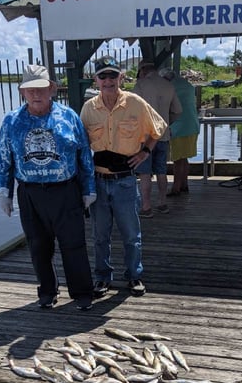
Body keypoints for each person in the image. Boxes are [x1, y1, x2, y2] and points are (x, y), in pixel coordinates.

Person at [0, 64, 96, 311]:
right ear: (22, 92)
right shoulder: (11, 121)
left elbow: (84, 154)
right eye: (30, 90)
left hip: (66, 190)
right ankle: (47, 291)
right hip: (30, 193)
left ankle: (82, 292)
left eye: (41, 88)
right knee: (38, 246)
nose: (36, 94)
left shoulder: (69, 116)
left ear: (51, 88)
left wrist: (89, 188)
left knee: (74, 244)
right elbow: (3, 159)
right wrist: (4, 191)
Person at [80, 56, 167, 298]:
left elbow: (159, 128)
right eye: (102, 76)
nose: (108, 80)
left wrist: (145, 152)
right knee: (100, 235)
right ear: (96, 80)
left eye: (112, 75)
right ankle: (102, 277)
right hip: (98, 179)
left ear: (121, 77)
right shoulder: (88, 108)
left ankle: (134, 275)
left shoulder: (136, 103)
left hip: (126, 181)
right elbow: (81, 144)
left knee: (131, 234)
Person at [132, 60, 182, 217]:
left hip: (144, 137)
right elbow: (178, 110)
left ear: (142, 71)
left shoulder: (140, 85)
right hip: (163, 135)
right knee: (161, 170)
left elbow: (132, 111)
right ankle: (162, 203)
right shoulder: (169, 85)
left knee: (144, 173)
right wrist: (166, 124)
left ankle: (146, 207)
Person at [159, 68, 200, 196]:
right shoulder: (187, 85)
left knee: (177, 160)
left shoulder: (170, 88)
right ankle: (184, 184)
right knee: (184, 158)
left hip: (179, 127)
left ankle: (176, 188)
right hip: (193, 125)